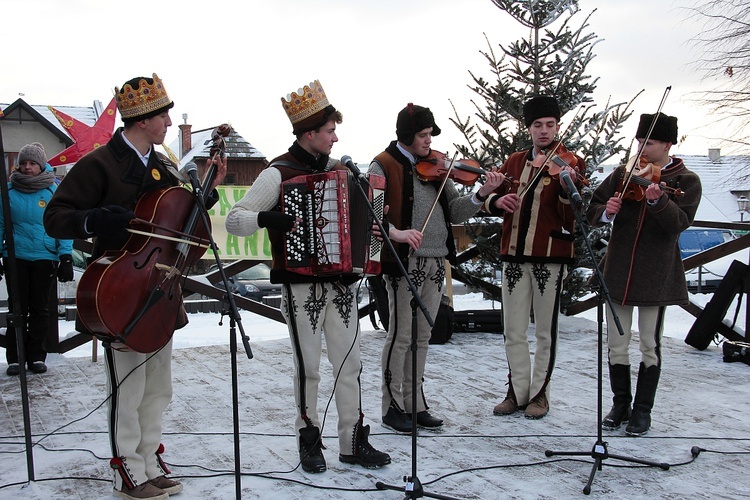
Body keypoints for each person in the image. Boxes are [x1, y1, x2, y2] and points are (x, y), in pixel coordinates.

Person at [44, 74, 226, 500]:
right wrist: (92, 220)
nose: (167, 120)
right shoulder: (100, 164)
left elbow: (179, 226)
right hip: (119, 288)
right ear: (142, 120)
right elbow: (54, 217)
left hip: (160, 287)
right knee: (128, 384)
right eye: (162, 114)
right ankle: (125, 465)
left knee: (159, 384)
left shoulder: (161, 165)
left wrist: (207, 192)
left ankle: (149, 456)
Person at [225, 80, 391, 473]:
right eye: (330, 130)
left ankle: (352, 441)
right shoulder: (276, 173)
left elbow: (375, 214)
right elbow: (234, 221)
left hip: (342, 287)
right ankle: (309, 438)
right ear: (309, 133)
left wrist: (373, 249)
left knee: (349, 364)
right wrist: (267, 218)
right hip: (300, 289)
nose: (336, 138)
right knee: (310, 368)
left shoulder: (342, 172)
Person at [369, 103, 504, 433]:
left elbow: (456, 213)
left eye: (431, 135)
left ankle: (415, 404)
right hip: (403, 262)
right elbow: (372, 215)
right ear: (406, 135)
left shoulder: (439, 168)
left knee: (423, 335)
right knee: (401, 334)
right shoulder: (383, 164)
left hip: (434, 261)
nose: (430, 141)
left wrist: (482, 193)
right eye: (424, 135)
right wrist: (396, 233)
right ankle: (392, 406)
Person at [585, 112, 701, 436]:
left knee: (649, 343)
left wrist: (659, 201)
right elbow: (593, 208)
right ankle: (620, 404)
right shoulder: (625, 174)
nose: (642, 148)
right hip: (619, 269)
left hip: (656, 275)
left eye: (649, 142)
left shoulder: (686, 180)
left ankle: (642, 411)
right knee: (616, 343)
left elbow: (679, 223)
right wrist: (605, 212)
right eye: (639, 141)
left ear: (667, 144)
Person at [482, 96, 585, 420]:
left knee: (544, 331)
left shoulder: (571, 162)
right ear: (528, 127)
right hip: (513, 255)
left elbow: (575, 209)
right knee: (513, 329)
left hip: (550, 255)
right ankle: (517, 392)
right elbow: (491, 198)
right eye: (538, 125)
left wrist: (568, 184)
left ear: (557, 126)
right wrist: (497, 201)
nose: (544, 131)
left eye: (550, 125)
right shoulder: (513, 161)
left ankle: (540, 395)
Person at [1, 143, 74, 376]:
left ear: (41, 165)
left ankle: (36, 356)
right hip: (16, 256)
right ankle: (15, 356)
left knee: (40, 309)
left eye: (32, 163)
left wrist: (66, 256)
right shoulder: (8, 191)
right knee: (17, 307)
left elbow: (62, 224)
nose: (27, 167)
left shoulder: (53, 190)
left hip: (45, 256)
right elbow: (0, 224)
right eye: (23, 163)